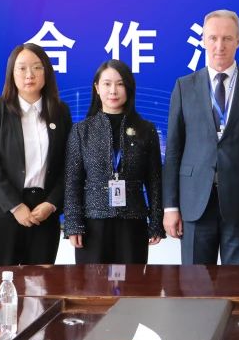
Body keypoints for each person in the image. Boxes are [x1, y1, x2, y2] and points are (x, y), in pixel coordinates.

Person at [162, 9, 239, 265]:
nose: (219, 45)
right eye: (213, 38)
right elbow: (173, 151)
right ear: (203, 40)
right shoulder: (184, 86)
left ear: (238, 41)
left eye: (227, 38)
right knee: (194, 285)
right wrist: (170, 207)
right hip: (195, 204)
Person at [0, 43, 72, 267]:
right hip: (2, 211)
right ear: (12, 73)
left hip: (43, 213)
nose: (29, 75)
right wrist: (15, 206)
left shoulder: (60, 111)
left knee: (40, 283)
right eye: (22, 68)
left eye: (37, 67)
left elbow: (69, 164)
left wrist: (51, 203)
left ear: (47, 72)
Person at [64, 59, 165, 263]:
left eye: (120, 84)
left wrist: (155, 222)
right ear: (97, 88)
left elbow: (154, 180)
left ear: (129, 88)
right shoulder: (82, 130)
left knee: (132, 280)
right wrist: (74, 224)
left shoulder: (146, 129)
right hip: (92, 223)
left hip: (133, 221)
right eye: (107, 84)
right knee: (92, 282)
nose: (113, 91)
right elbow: (72, 181)